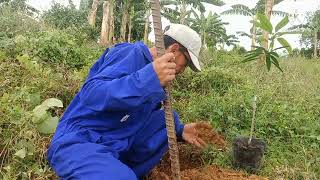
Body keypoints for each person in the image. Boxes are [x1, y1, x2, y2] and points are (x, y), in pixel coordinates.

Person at [47, 23, 206, 180]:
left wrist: (179, 130)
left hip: (114, 144)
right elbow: (92, 93)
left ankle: (115, 170)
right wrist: (148, 78)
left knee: (168, 118)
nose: (182, 70)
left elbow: (146, 117)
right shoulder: (130, 54)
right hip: (81, 141)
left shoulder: (159, 78)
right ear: (174, 50)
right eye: (185, 63)